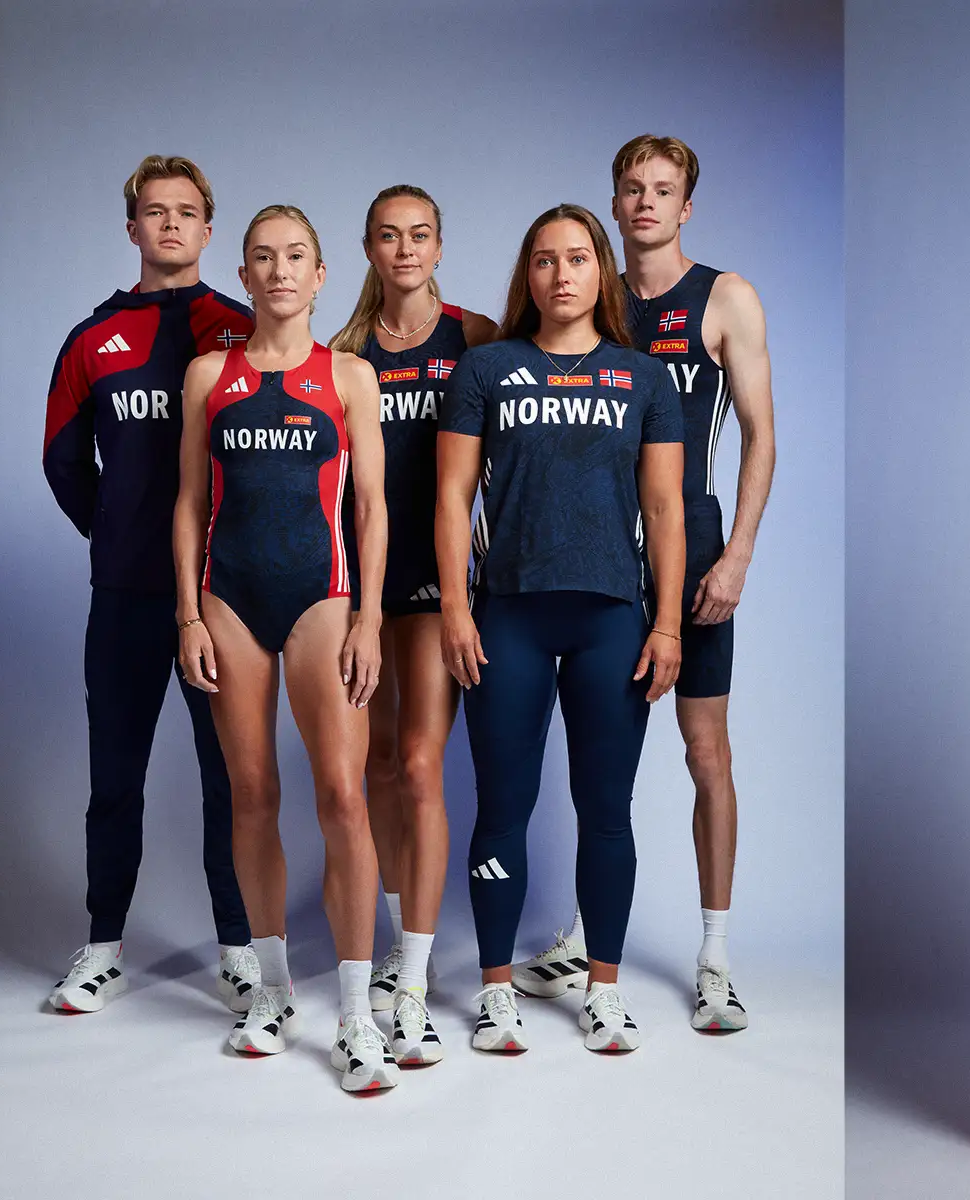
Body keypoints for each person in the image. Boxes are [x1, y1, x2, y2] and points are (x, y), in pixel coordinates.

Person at [512, 135, 775, 1036]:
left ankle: (714, 958)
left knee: (707, 750)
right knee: (601, 765)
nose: (648, 203)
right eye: (633, 189)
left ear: (686, 205)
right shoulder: (587, 291)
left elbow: (759, 432)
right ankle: (590, 934)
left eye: (665, 190)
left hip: (689, 542)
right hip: (594, 551)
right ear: (613, 204)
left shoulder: (723, 297)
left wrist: (736, 554)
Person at [436, 203, 685, 1054]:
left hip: (614, 617)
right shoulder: (487, 368)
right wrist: (458, 607)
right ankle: (497, 989)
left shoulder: (643, 378)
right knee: (502, 806)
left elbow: (665, 508)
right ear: (528, 276)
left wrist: (670, 626)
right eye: (545, 260)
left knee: (604, 809)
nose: (562, 273)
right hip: (507, 612)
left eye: (578, 257)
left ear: (601, 272)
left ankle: (604, 991)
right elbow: (450, 497)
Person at [173, 204, 397, 1093]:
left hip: (323, 598)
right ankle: (272, 991)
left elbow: (371, 508)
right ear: (246, 270)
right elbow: (190, 502)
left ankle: (353, 1015)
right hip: (229, 597)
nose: (278, 272)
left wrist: (371, 617)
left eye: (294, 257)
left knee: (343, 796)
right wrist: (188, 615)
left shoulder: (348, 375)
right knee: (253, 792)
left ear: (319, 274)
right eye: (262, 258)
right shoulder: (206, 376)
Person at [41, 155, 258, 1016]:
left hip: (227, 597)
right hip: (127, 595)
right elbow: (62, 457)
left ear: (209, 228)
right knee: (115, 776)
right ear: (131, 228)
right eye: (154, 212)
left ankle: (240, 949)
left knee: (232, 777)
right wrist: (120, 531)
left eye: (187, 212)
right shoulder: (93, 338)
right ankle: (102, 946)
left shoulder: (246, 330)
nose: (170, 224)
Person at [329, 185, 497, 1064]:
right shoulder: (346, 351)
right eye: (388, 237)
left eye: (419, 235)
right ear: (367, 247)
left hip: (441, 582)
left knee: (426, 763)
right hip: (362, 584)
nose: (404, 249)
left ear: (440, 244)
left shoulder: (473, 338)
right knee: (382, 766)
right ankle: (396, 948)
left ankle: (420, 983)